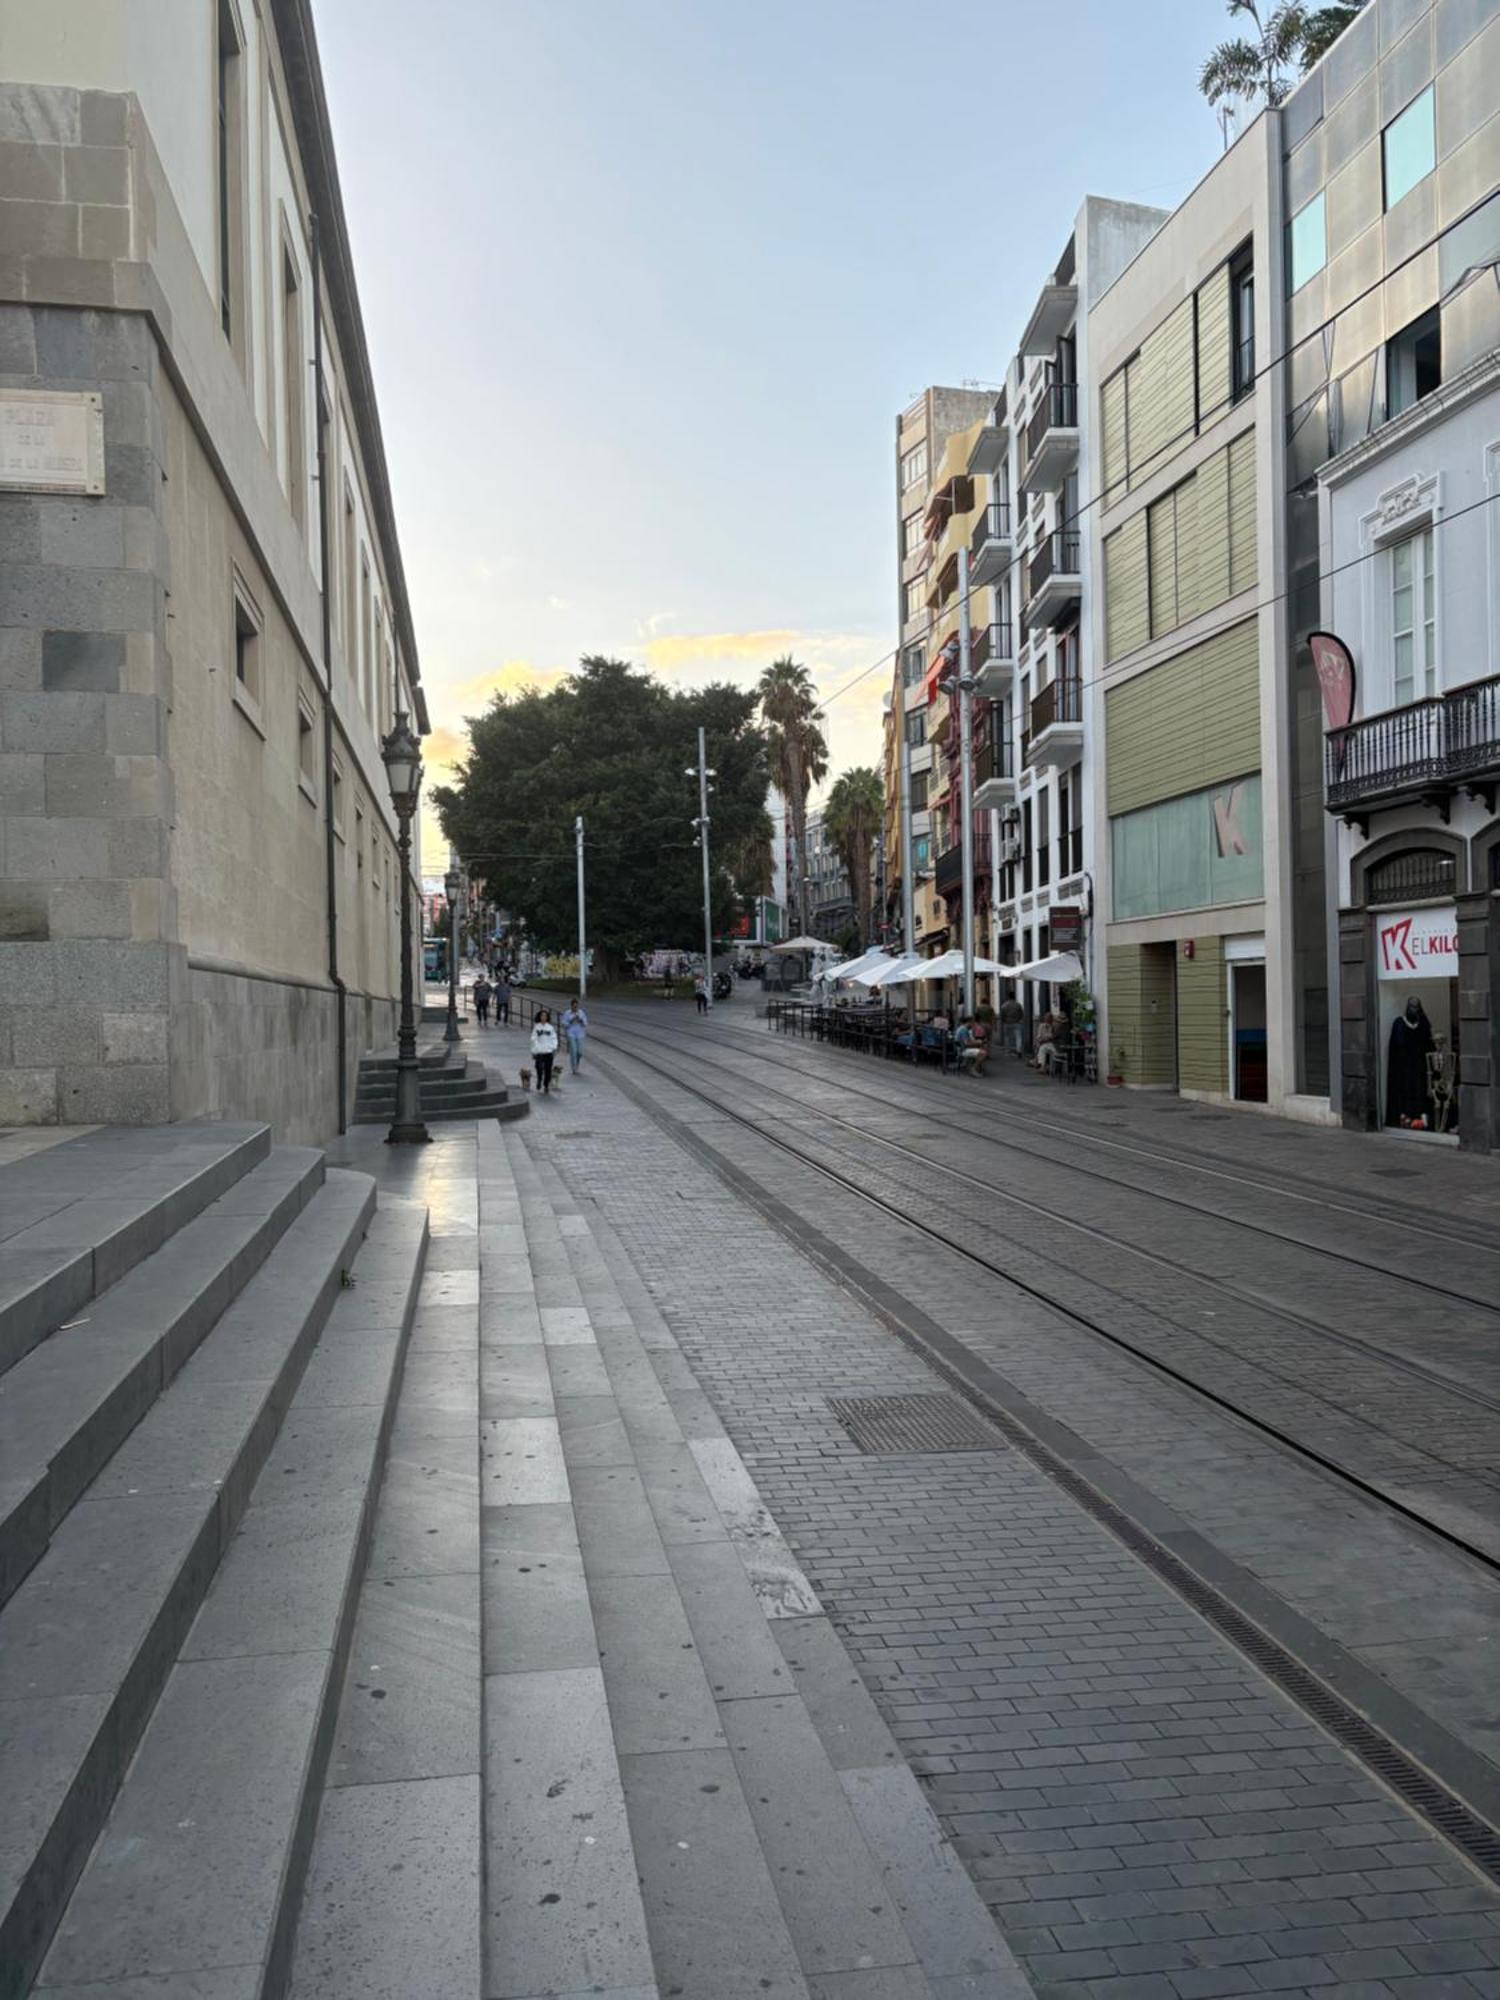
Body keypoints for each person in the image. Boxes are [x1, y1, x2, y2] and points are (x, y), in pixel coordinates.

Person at [529, 1009, 559, 1094]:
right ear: (539, 1017)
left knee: (548, 1069)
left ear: (547, 1017)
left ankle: (546, 1085)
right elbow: (533, 1039)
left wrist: (554, 1047)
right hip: (539, 1051)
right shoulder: (536, 1027)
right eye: (542, 1016)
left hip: (548, 1051)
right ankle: (539, 1079)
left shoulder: (550, 1028)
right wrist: (534, 1050)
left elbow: (554, 1038)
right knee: (538, 1066)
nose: (543, 1017)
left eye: (545, 1016)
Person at [561, 996, 589, 1074]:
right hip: (571, 1033)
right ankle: (574, 1067)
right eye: (574, 1007)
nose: (575, 1008)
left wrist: (580, 1020)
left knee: (579, 1052)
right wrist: (571, 1020)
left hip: (580, 1033)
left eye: (576, 1007)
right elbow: (564, 1023)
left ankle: (577, 1064)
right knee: (573, 1050)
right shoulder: (567, 1013)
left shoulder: (581, 1013)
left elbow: (585, 1023)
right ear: (571, 1006)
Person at [999, 990, 1025, 1059]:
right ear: (1014, 996)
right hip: (1017, 1023)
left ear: (1008, 997)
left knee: (1007, 1037)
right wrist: (1019, 1019)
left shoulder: (1004, 1005)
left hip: (1007, 1023)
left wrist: (1003, 1021)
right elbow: (1021, 1014)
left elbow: (1002, 1015)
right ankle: (1019, 1050)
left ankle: (1008, 1051)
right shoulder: (1018, 1004)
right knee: (1018, 1037)